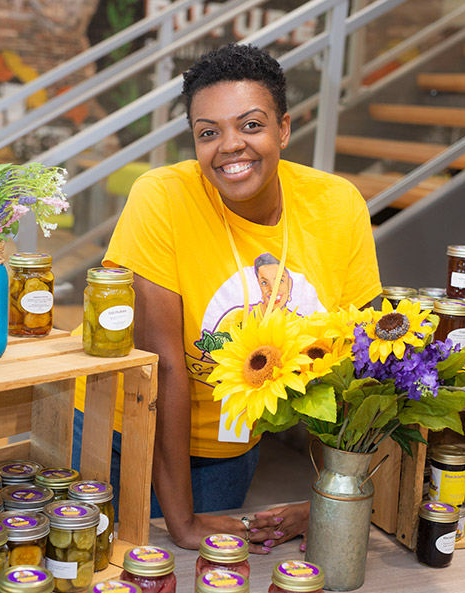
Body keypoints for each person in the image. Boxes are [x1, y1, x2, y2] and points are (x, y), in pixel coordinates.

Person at [85, 43, 381, 552]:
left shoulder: (337, 206)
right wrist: (181, 521)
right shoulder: (162, 196)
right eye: (208, 132)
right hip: (120, 431)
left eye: (250, 125)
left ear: (283, 128)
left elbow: (356, 368)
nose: (229, 146)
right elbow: (163, 366)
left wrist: (329, 498)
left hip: (230, 446)